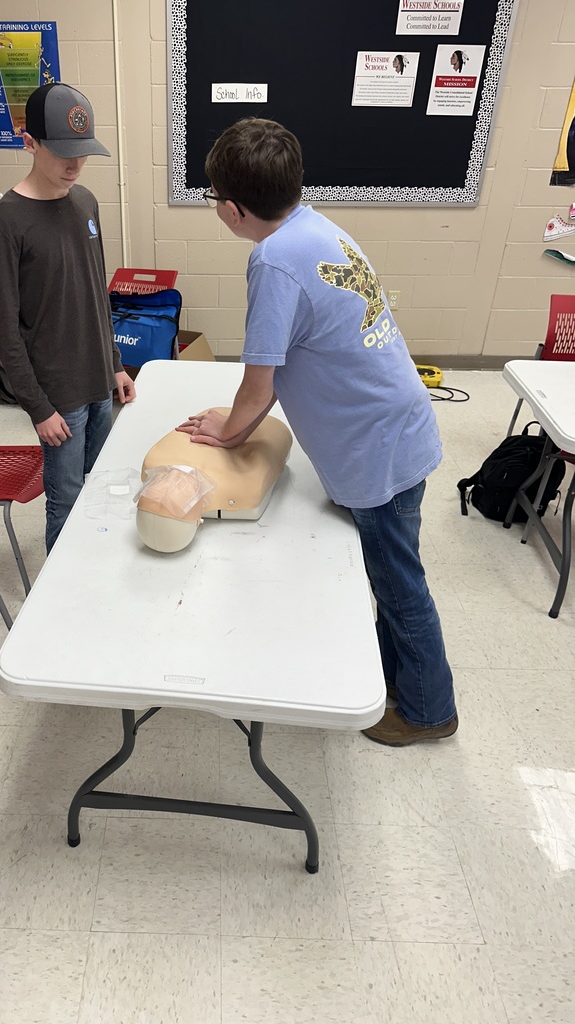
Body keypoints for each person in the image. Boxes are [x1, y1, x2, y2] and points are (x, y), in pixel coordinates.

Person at [177, 118, 457, 747]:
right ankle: (398, 679)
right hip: (397, 424)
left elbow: (259, 382)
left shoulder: (273, 261)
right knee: (391, 571)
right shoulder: (314, 225)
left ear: (229, 208)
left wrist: (228, 429)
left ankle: (428, 711)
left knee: (397, 581)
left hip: (377, 447)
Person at [0, 82, 136, 554]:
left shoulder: (85, 202)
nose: (74, 165)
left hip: (98, 380)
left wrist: (114, 363)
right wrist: (38, 407)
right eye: (62, 153)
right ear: (30, 142)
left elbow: (96, 291)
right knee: (65, 501)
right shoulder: (6, 221)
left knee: (103, 484)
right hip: (57, 393)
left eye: (83, 154)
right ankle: (60, 608)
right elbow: (5, 328)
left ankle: (96, 569)